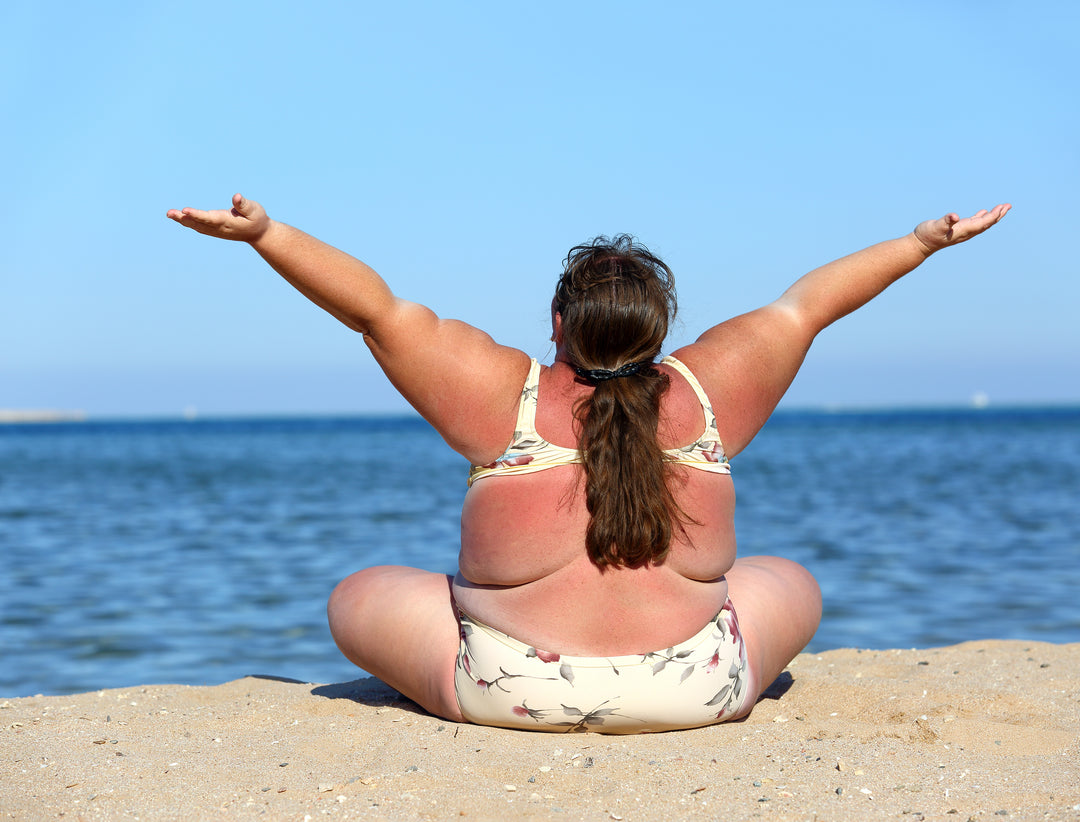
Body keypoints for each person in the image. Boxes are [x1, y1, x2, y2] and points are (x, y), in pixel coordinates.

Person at [167, 195, 1011, 733]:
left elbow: (376, 311)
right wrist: (918, 243)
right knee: (789, 577)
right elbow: (809, 306)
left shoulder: (504, 399)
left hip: (507, 692)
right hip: (698, 691)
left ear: (558, 323)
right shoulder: (711, 391)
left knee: (355, 595)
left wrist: (267, 235)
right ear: (660, 326)